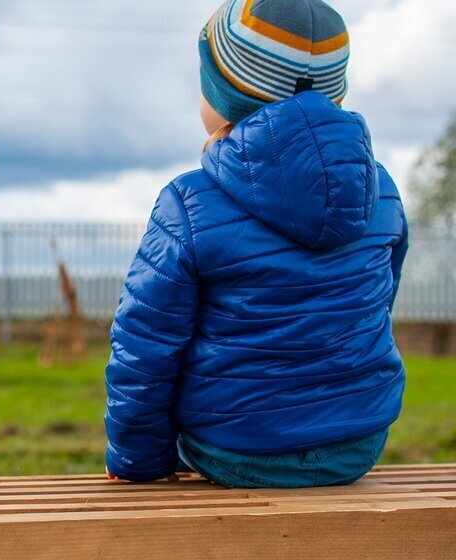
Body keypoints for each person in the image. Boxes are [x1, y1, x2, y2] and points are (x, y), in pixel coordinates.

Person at [104, 0, 408, 489]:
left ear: (225, 93)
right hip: (358, 441)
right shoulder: (382, 193)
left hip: (236, 448)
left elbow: (145, 347)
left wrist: (138, 462)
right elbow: (371, 305)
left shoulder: (189, 204)